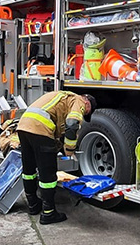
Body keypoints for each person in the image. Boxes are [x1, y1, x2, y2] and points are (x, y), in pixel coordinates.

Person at [15, 90, 96, 225]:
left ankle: (33, 205)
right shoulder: (79, 100)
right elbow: (71, 125)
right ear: (87, 103)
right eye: (87, 112)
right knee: (48, 174)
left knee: (29, 170)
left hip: (24, 126)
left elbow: (58, 122)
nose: (84, 114)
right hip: (40, 128)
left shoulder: (62, 96)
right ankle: (49, 213)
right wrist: (69, 150)